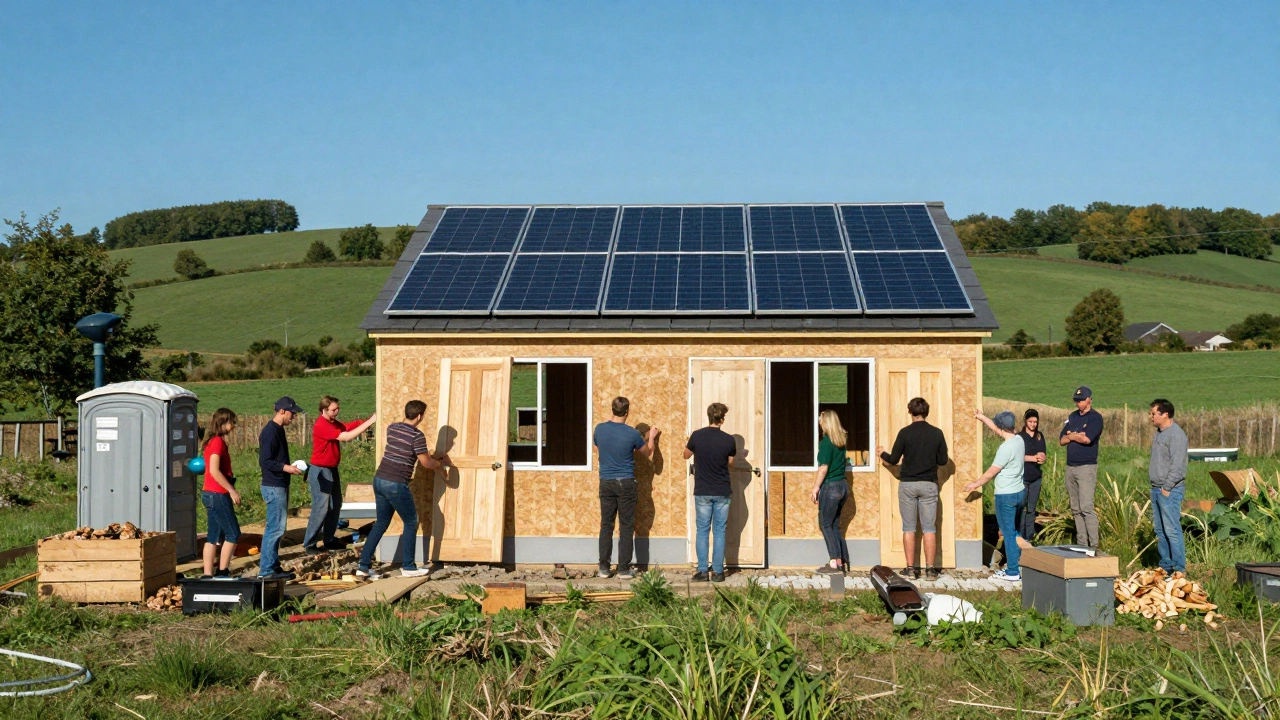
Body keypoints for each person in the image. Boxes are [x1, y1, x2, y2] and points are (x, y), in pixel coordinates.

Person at [357, 400, 450, 580]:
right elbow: (425, 462)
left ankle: (363, 566)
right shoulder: (417, 436)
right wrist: (440, 464)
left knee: (381, 523)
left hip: (379, 480)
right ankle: (408, 566)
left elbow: (402, 449)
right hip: (396, 483)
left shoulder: (393, 428)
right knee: (410, 521)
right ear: (420, 416)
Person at [876, 397, 949, 581]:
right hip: (929, 484)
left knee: (909, 527)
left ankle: (910, 569)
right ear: (927, 412)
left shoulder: (905, 433)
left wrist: (881, 453)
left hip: (908, 484)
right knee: (929, 528)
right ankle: (930, 570)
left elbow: (892, 459)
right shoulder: (937, 433)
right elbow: (943, 461)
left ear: (910, 412)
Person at [593, 396, 659, 580]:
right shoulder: (632, 434)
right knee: (626, 525)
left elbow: (599, 449)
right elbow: (648, 453)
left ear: (612, 409)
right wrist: (651, 438)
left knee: (606, 525)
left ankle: (604, 568)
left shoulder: (599, 429)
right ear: (627, 412)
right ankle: (623, 569)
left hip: (606, 481)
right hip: (626, 482)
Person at [304, 396, 377, 555]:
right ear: (324, 410)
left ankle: (329, 540)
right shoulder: (321, 425)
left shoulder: (332, 422)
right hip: (321, 471)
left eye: (338, 409)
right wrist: (370, 422)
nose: (337, 412)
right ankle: (310, 543)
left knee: (335, 505)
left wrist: (362, 422)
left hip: (331, 469)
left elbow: (346, 427)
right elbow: (346, 436)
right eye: (333, 409)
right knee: (321, 508)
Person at [969, 411, 1026, 583]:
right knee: (1014, 532)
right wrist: (982, 417)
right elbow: (998, 430)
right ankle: (1018, 564)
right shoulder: (1019, 440)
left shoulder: (1004, 448)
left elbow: (991, 473)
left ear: (1002, 427)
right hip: (1020, 493)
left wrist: (974, 484)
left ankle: (1013, 572)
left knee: (1008, 534)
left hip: (1005, 496)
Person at [684, 403, 736, 583]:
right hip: (722, 490)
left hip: (703, 491)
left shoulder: (697, 436)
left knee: (703, 530)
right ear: (722, 419)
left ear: (709, 417)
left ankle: (702, 571)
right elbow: (730, 463)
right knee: (720, 531)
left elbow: (685, 454)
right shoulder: (729, 440)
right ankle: (719, 572)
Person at [258, 397, 306, 580]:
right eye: (292, 414)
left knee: (278, 528)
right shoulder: (271, 432)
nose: (294, 417)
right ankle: (266, 571)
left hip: (279, 484)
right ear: (282, 411)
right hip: (273, 485)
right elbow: (265, 461)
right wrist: (287, 468)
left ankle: (273, 565)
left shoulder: (278, 430)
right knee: (275, 529)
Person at [1060, 386, 1104, 548]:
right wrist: (1074, 436)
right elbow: (1062, 440)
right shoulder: (1072, 416)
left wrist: (1072, 435)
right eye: (1076, 400)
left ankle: (1093, 545)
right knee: (1076, 508)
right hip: (1070, 467)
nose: (1078, 403)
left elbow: (1087, 439)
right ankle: (1081, 544)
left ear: (1089, 400)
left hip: (1086, 467)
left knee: (1086, 507)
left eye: (1081, 400)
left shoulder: (1095, 418)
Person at [1148, 398, 1188, 574]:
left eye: (1154, 413)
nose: (1151, 416)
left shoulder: (1176, 435)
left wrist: (1167, 488)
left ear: (1165, 414)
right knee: (1160, 530)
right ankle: (1166, 566)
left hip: (1169, 490)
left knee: (1171, 529)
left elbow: (1178, 466)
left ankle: (1179, 569)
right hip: (1156, 488)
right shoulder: (1159, 433)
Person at [201, 408, 240, 580]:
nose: (234, 426)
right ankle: (223, 571)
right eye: (232, 422)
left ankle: (208, 575)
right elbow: (214, 471)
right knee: (233, 533)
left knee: (213, 536)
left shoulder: (211, 441)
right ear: (223, 423)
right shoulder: (217, 442)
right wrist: (231, 490)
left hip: (209, 493)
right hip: (217, 494)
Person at [810, 410, 849, 575]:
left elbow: (823, 468)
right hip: (843, 486)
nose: (819, 422)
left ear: (826, 422)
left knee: (826, 524)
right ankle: (840, 562)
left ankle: (834, 564)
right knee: (834, 525)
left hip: (831, 486)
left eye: (820, 419)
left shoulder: (826, 442)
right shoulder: (841, 440)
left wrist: (815, 487)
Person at [1018, 409, 1047, 544]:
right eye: (1030, 421)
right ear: (1025, 421)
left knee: (1031, 509)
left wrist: (1042, 458)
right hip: (1022, 477)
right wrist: (1033, 458)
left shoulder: (1039, 436)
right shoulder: (1019, 437)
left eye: (1035, 422)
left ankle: (1029, 537)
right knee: (1022, 508)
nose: (1033, 424)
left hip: (1036, 477)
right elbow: (1017, 457)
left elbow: (1042, 454)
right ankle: (1019, 535)